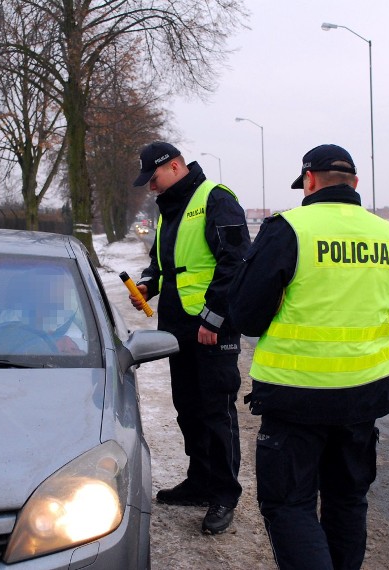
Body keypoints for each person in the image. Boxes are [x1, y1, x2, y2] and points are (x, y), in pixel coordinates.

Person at [229, 144, 389, 569]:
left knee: (289, 506)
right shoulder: (388, 235)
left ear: (308, 181)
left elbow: (246, 315)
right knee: (347, 501)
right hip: (363, 397)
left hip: (297, 398)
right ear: (356, 184)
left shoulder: (289, 229)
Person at [129, 141, 251, 535]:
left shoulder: (215, 199)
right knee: (187, 405)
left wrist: (213, 319)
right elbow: (162, 263)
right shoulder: (169, 209)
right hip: (179, 326)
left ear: (176, 166)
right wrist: (148, 285)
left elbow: (236, 262)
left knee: (216, 408)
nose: (150, 186)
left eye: (154, 177)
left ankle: (224, 493)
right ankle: (200, 481)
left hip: (212, 326)